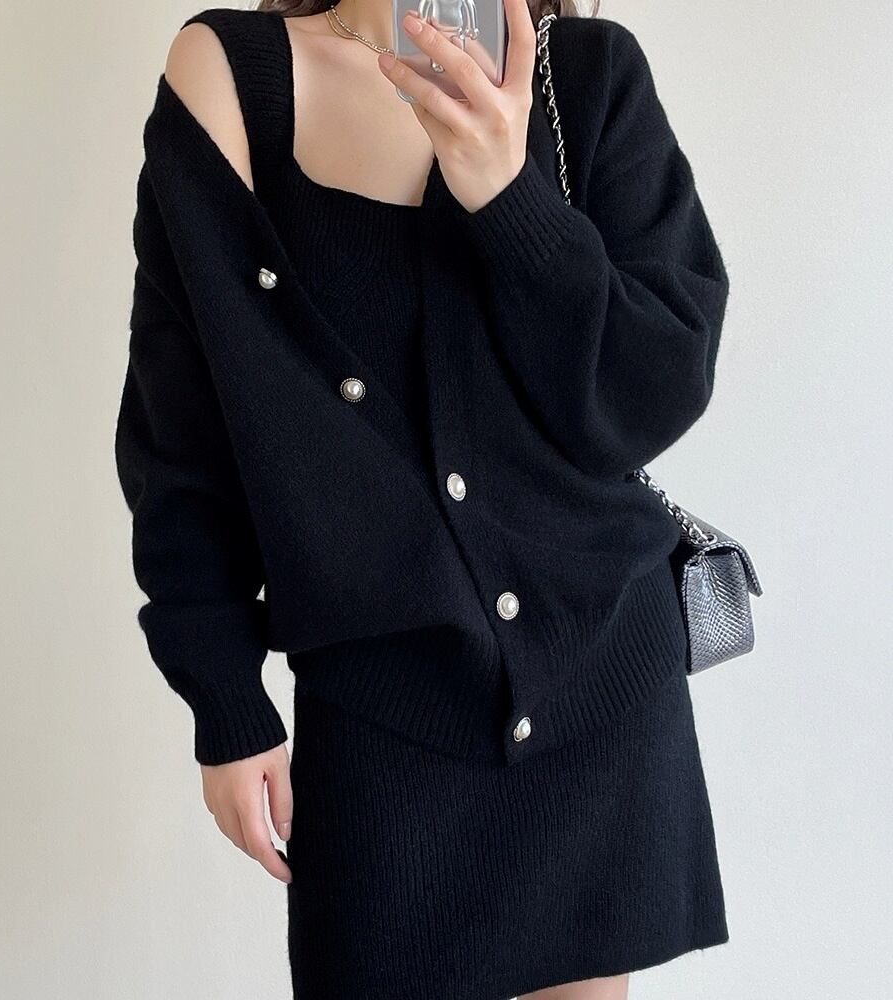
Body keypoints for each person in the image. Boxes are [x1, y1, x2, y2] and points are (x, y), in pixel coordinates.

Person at [115, 0, 732, 996]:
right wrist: (222, 692)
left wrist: (508, 197)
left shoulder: (585, 77)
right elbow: (180, 426)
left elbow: (652, 391)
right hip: (383, 707)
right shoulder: (228, 74)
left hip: (599, 685)